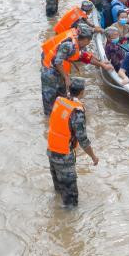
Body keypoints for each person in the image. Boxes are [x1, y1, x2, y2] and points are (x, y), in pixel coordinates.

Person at [46, 78, 98, 207]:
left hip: (51, 151)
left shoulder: (59, 100)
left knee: (59, 190)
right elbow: (83, 140)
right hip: (64, 156)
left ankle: (56, 214)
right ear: (81, 92)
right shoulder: (77, 112)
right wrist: (93, 157)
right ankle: (68, 223)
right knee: (71, 201)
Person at [40, 25, 113, 114]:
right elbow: (57, 62)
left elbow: (85, 57)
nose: (88, 44)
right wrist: (66, 77)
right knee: (49, 100)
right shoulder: (69, 45)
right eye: (88, 42)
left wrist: (101, 63)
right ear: (85, 40)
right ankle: (49, 119)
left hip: (59, 70)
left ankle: (62, 114)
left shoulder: (77, 40)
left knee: (62, 95)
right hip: (49, 71)